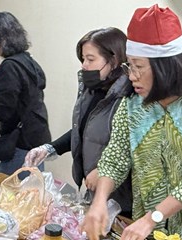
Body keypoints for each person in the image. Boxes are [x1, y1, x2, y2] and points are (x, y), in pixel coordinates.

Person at [82, 5, 182, 240]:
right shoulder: (133, 103)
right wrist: (99, 202)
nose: (131, 76)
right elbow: (115, 157)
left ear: (166, 66)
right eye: (128, 66)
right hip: (150, 232)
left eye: (138, 67)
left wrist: (150, 218)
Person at [24, 27, 133, 216]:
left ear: (114, 60)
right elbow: (83, 131)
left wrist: (103, 171)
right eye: (83, 59)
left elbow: (133, 146)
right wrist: (50, 148)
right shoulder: (91, 90)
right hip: (93, 190)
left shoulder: (129, 97)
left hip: (123, 197)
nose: (84, 65)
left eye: (91, 60)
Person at [0, 11, 51, 175]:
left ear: (2, 38)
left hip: (21, 141)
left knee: (8, 190)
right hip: (37, 135)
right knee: (31, 187)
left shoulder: (9, 66)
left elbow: (6, 108)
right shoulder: (28, 60)